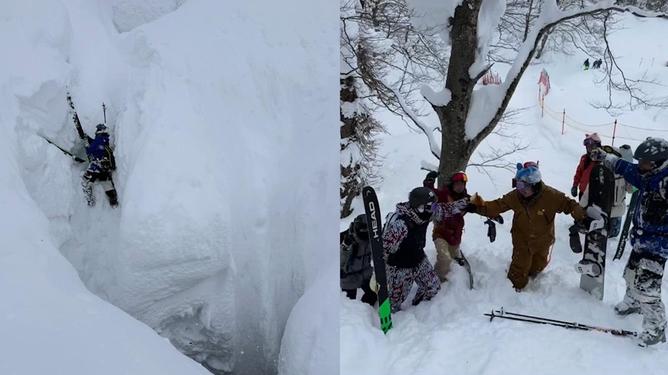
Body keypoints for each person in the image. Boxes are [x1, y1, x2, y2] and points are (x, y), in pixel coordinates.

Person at [592, 137, 668, 346]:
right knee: (631, 273)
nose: (640, 165)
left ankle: (656, 328)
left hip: (658, 246)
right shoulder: (648, 174)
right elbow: (628, 169)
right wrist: (605, 157)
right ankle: (633, 302)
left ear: (657, 161)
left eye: (644, 161)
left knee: (647, 288)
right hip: (642, 239)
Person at [469, 162, 587, 290]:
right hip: (522, 240)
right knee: (519, 271)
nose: (520, 189)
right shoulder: (516, 196)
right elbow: (497, 206)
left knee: (537, 267)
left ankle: (532, 283)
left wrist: (582, 217)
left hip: (543, 241)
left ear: (534, 185)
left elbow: (570, 205)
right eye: (517, 184)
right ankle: (513, 292)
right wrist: (476, 207)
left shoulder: (551, 196)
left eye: (522, 185)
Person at [382, 187, 469, 312]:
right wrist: (379, 273)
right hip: (400, 267)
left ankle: (418, 309)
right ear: (420, 207)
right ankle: (395, 318)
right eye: (431, 206)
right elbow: (384, 249)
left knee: (433, 287)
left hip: (418, 259)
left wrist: (467, 202)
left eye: (434, 206)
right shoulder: (400, 224)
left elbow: (445, 209)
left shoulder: (426, 213)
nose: (434, 209)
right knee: (396, 301)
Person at [423, 171, 471, 282]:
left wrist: (493, 216)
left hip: (456, 235)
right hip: (441, 233)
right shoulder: (443, 195)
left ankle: (456, 256)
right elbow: (429, 192)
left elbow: (481, 205)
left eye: (462, 184)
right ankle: (438, 278)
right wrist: (429, 182)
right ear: (452, 184)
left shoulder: (466, 199)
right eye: (457, 184)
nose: (460, 187)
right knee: (445, 259)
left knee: (453, 254)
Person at [340, 214, 378, 306]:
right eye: (362, 229)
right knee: (349, 305)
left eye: (367, 230)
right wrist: (345, 247)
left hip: (365, 273)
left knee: (373, 295)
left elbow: (376, 255)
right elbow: (340, 263)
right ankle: (357, 314)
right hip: (349, 276)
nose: (365, 232)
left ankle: (365, 310)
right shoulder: (345, 238)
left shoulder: (372, 238)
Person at [82, 124, 118, 207]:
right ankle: (113, 201)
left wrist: (87, 146)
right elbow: (97, 145)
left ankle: (89, 198)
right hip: (104, 167)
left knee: (86, 180)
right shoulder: (104, 140)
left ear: (99, 131)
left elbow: (91, 150)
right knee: (106, 183)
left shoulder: (99, 140)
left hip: (98, 165)